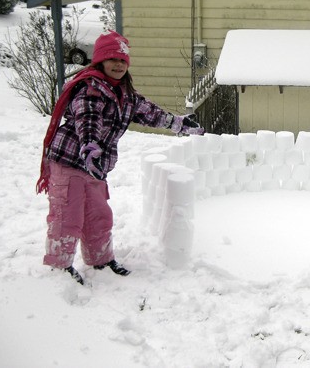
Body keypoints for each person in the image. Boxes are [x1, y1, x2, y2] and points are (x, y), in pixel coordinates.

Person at [36, 30, 204, 284]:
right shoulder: (90, 88)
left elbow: (151, 113)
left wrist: (179, 123)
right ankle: (59, 267)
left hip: (96, 167)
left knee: (99, 215)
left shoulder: (126, 95)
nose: (118, 64)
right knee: (67, 215)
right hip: (71, 160)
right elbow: (87, 118)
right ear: (100, 61)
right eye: (112, 59)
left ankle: (100, 259)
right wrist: (91, 145)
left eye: (123, 61)